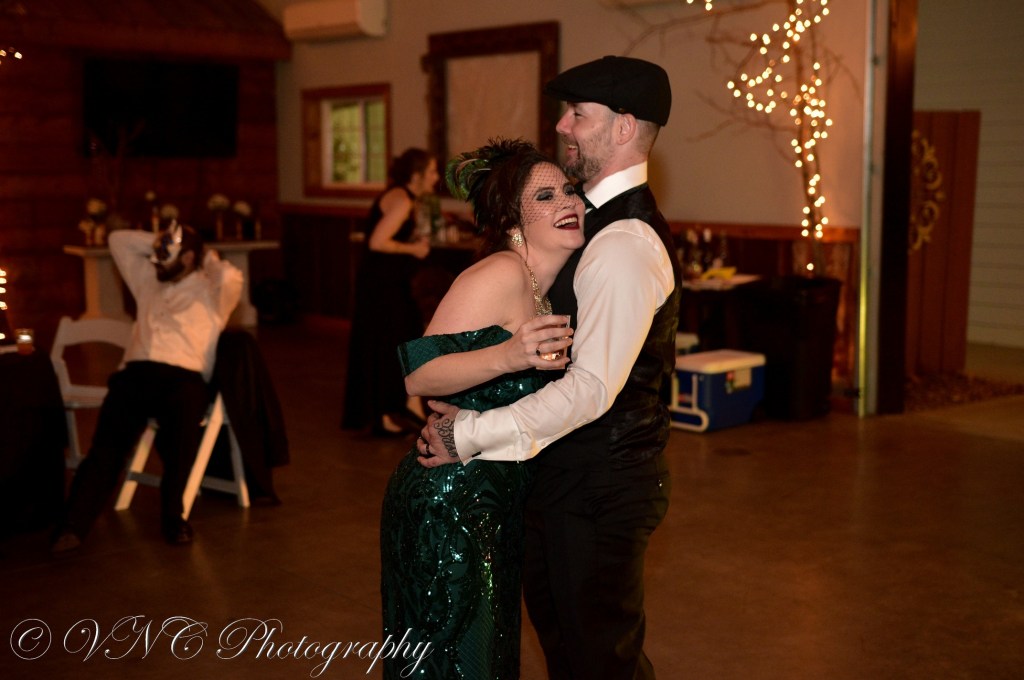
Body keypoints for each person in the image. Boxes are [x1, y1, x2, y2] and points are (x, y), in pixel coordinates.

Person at [418, 56, 681, 679]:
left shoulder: (623, 243)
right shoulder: (584, 224)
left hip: (598, 487)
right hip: (566, 482)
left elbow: (590, 389)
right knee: (571, 654)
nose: (562, 125)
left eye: (578, 114)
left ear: (623, 127)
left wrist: (469, 433)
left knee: (598, 662)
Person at [380, 139, 584, 679]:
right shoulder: (502, 273)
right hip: (448, 502)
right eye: (545, 196)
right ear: (512, 221)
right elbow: (418, 373)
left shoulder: (544, 289)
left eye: (569, 190)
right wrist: (509, 355)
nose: (568, 202)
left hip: (494, 504)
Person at [51, 223, 243, 551]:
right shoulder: (148, 281)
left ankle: (174, 518)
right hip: (136, 374)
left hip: (184, 378)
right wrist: (161, 243)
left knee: (180, 443)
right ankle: (73, 525)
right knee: (106, 448)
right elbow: (118, 240)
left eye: (164, 258)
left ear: (189, 258)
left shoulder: (211, 291)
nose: (156, 263)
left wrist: (203, 255)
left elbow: (229, 276)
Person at [342, 148, 438, 437]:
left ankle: (405, 405)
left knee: (402, 338)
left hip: (389, 283)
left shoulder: (404, 197)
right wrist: (414, 249)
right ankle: (386, 414)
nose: (435, 177)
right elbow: (377, 242)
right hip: (382, 286)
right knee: (388, 343)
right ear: (416, 175)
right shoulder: (402, 200)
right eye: (431, 171)